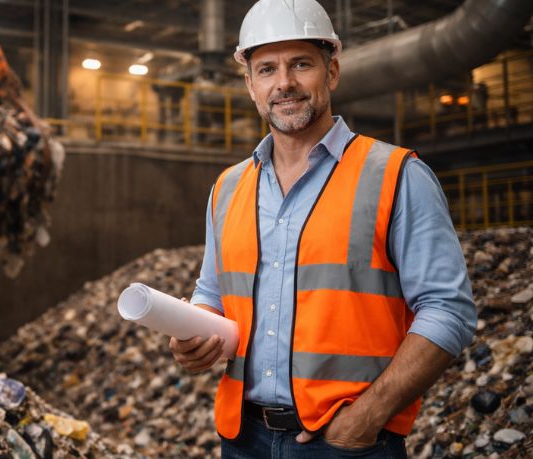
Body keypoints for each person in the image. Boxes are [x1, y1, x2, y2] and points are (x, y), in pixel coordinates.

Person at [168, 1, 477, 457]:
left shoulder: (395, 175)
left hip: (346, 442)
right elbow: (212, 293)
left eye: (300, 64)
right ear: (250, 85)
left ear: (331, 72)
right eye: (267, 69)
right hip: (241, 438)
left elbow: (448, 310)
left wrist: (367, 416)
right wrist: (193, 334)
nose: (284, 83)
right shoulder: (228, 187)